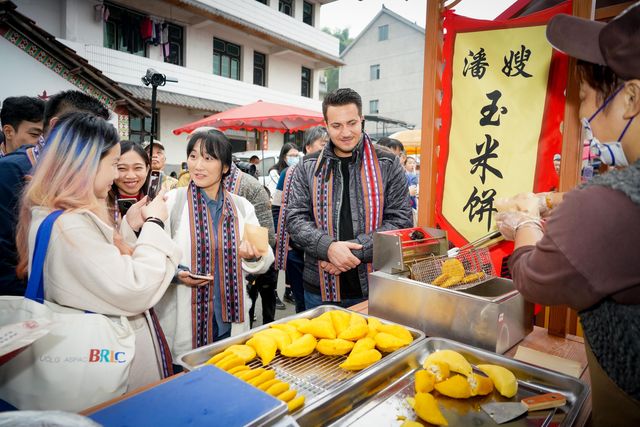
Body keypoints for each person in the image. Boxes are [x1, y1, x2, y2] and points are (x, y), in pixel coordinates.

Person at [496, 6, 640, 426]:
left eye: (586, 91)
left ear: (630, 98)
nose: (579, 106)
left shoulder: (606, 205)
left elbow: (531, 275)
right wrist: (554, 202)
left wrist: (525, 220)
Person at [15, 112, 181, 392]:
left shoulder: (51, 214)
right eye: (115, 164)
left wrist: (129, 225)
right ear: (87, 164)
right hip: (99, 360)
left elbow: (99, 270)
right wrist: (155, 222)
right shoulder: (70, 226)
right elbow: (132, 288)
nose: (118, 174)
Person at [287, 88, 413, 309]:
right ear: (326, 125)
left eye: (352, 123)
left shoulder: (387, 163)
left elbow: (401, 221)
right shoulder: (308, 166)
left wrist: (348, 252)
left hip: (376, 287)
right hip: (319, 288)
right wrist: (328, 248)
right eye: (336, 125)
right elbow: (295, 220)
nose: (345, 132)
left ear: (362, 120)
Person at [156, 130, 274, 361]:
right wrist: (177, 274)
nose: (198, 165)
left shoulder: (242, 207)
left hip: (230, 320)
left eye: (208, 158)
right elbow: (151, 256)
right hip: (186, 321)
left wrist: (251, 258)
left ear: (226, 167)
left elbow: (264, 255)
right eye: (193, 156)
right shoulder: (172, 203)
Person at [0, 90, 109, 296]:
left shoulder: (86, 174)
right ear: (57, 126)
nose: (97, 147)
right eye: (89, 135)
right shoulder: (9, 171)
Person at [273, 126, 328, 312]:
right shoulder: (286, 174)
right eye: (323, 144)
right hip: (295, 250)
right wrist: (284, 240)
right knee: (301, 301)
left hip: (325, 249)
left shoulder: (331, 172)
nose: (327, 148)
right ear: (308, 148)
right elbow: (276, 208)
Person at [269, 142, 300, 307]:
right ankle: (274, 293)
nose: (294, 158)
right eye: (291, 155)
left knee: (291, 263)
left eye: (297, 155)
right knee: (276, 261)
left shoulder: (299, 171)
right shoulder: (277, 172)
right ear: (284, 156)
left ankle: (288, 290)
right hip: (278, 219)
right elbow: (276, 200)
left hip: (291, 223)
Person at [109, 141, 150, 210]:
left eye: (138, 168)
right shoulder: (99, 204)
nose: (131, 176)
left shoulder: (157, 202)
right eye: (122, 168)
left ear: (147, 169)